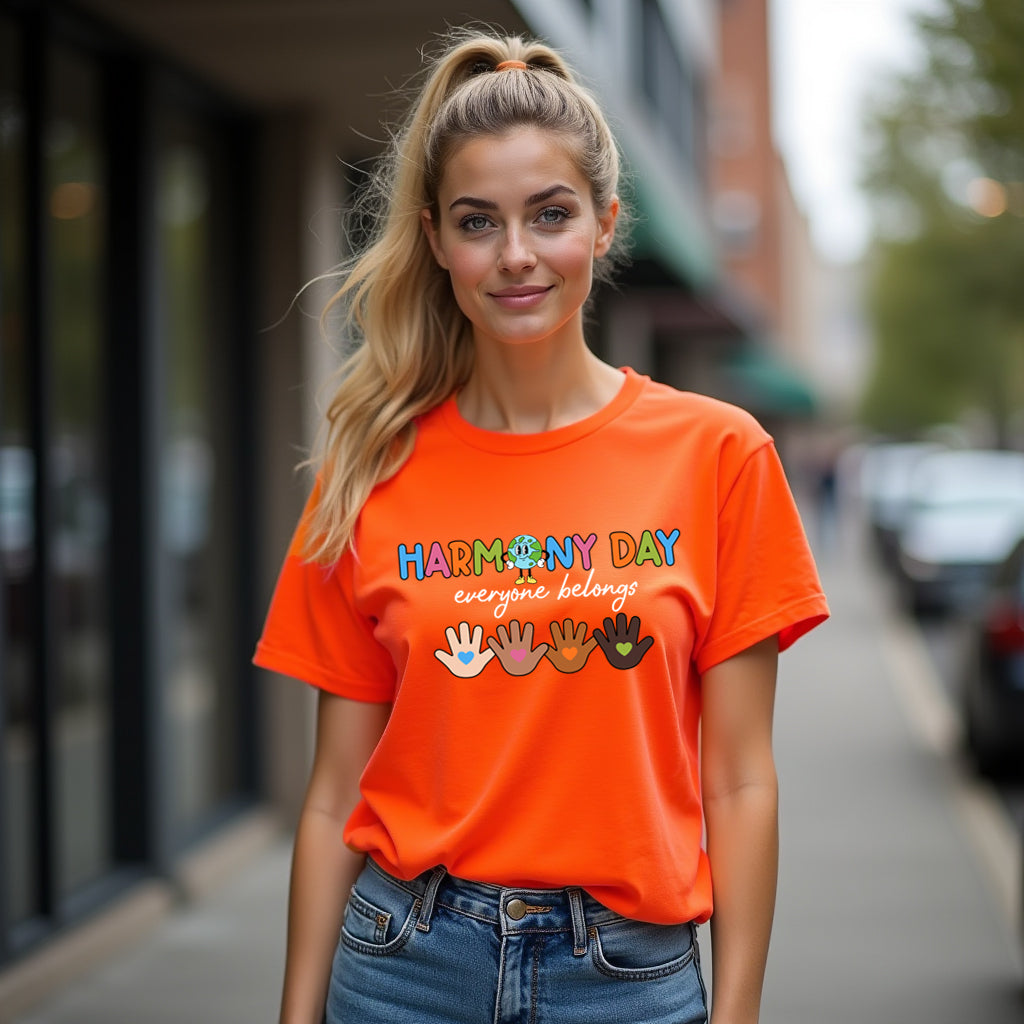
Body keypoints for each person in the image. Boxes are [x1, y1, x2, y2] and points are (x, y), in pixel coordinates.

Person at [255, 29, 829, 1024]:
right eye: (479, 222)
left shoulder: (717, 455)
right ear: (436, 240)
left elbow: (740, 780)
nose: (515, 254)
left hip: (626, 979)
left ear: (605, 225)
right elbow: (330, 791)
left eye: (549, 215)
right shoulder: (369, 469)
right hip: (402, 967)